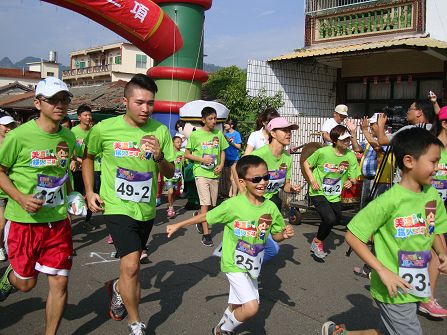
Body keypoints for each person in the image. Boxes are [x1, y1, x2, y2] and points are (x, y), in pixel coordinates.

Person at [322, 127, 447, 335]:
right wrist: (382, 271)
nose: (438, 168)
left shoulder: (432, 195)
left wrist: (442, 253)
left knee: (389, 332)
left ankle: (340, 334)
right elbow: (352, 235)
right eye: (433, 162)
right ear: (409, 161)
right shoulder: (388, 201)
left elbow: (434, 229)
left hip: (416, 283)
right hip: (392, 289)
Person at [82, 74, 175, 335]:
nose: (146, 108)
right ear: (125, 102)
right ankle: (136, 323)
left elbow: (170, 173)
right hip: (117, 205)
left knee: (129, 268)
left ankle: (116, 288)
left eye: (150, 103)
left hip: (146, 208)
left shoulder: (159, 131)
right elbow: (88, 157)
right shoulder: (105, 129)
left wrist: (159, 157)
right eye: (139, 102)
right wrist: (90, 191)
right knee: (132, 264)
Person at [166, 155, 295, 335]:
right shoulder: (233, 205)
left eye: (266, 177)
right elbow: (205, 216)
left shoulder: (270, 208)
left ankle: (222, 327)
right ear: (242, 181)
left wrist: (284, 235)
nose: (263, 182)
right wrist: (178, 224)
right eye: (256, 179)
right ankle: (223, 329)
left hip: (252, 265)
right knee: (251, 307)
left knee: (236, 304)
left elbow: (276, 235)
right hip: (233, 263)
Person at [0, 77, 76, 335]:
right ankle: (10, 277)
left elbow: (62, 172)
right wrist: (20, 197)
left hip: (57, 222)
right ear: (37, 103)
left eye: (64, 99)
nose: (60, 105)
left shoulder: (68, 136)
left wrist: (74, 196)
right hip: (24, 223)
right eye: (53, 100)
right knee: (26, 285)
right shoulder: (19, 136)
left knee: (60, 282)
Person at [303, 125, 361, 259]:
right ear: (335, 141)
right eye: (343, 140)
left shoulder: (350, 156)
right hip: (318, 191)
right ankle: (318, 242)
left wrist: (351, 181)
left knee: (335, 219)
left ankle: (318, 240)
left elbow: (354, 177)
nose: (347, 142)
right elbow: (306, 163)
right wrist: (312, 180)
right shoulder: (323, 152)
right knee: (329, 219)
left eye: (348, 139)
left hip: (334, 194)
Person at [251, 117, 301, 262]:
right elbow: (243, 179)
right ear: (273, 133)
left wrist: (292, 188)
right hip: (255, 201)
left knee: (273, 238)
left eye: (290, 130)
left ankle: (253, 263)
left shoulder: (287, 157)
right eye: (284, 130)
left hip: (272, 201)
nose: (289, 133)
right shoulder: (259, 155)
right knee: (253, 238)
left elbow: (285, 185)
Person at [185, 106, 229, 247]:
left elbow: (223, 151)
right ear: (203, 120)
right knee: (205, 203)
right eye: (210, 118)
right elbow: (186, 154)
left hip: (214, 173)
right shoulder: (196, 135)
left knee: (211, 205)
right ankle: (206, 234)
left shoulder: (218, 134)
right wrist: (202, 160)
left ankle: (198, 216)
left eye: (215, 118)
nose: (214, 121)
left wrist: (221, 165)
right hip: (201, 173)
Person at [420, 106, 447, 318]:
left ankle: (426, 296)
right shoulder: (431, 148)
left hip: (442, 208)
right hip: (424, 204)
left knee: (438, 252)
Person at [71, 104, 95, 231]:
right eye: (86, 115)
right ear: (79, 117)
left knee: (91, 193)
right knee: (77, 194)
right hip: (78, 169)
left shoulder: (94, 131)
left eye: (90, 115)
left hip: (92, 168)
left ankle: (87, 220)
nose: (88, 117)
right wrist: (78, 160)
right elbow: (70, 152)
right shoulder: (73, 132)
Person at [0, 111, 17, 261]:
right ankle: (0, 247)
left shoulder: (14, 141)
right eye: (6, 126)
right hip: (0, 191)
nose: (9, 128)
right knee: (1, 223)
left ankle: (9, 247)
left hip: (13, 191)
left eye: (11, 125)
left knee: (10, 223)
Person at [165, 136, 185, 218]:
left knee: (174, 194)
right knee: (170, 192)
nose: (179, 143)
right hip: (169, 176)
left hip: (177, 177)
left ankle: (170, 204)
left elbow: (184, 165)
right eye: (177, 142)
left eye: (180, 142)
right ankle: (170, 208)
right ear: (173, 143)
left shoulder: (182, 154)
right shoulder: (169, 153)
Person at [223, 117, 242, 197]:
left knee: (233, 178)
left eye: (227, 123)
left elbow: (239, 147)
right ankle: (229, 195)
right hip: (225, 158)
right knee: (227, 177)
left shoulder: (236, 134)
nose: (225, 125)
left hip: (234, 159)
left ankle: (234, 195)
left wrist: (231, 142)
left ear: (232, 125)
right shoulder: (224, 134)